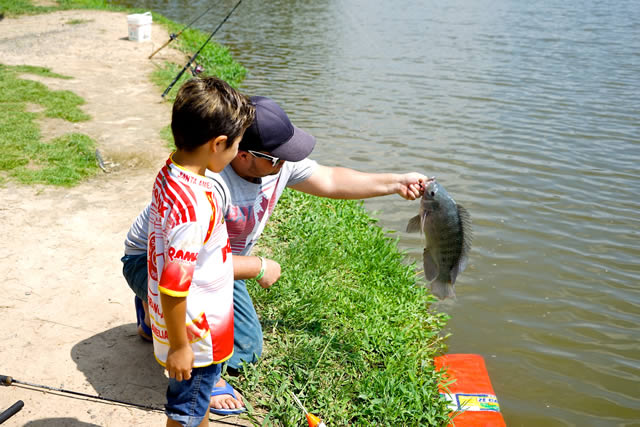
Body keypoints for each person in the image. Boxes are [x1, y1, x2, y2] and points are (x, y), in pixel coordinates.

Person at [122, 95, 427, 378]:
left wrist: (396, 182)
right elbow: (190, 269)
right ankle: (177, 340)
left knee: (241, 342)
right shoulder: (210, 185)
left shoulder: (275, 161)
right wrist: (259, 266)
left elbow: (331, 180)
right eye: (277, 158)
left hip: (211, 263)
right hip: (155, 264)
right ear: (241, 154)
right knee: (237, 350)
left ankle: (153, 316)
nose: (285, 163)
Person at [147, 76, 254, 427]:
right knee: (185, 413)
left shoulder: (172, 169)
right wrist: (181, 347)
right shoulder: (194, 208)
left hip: (186, 326)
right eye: (236, 145)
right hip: (197, 335)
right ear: (218, 143)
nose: (238, 152)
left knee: (197, 401)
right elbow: (174, 285)